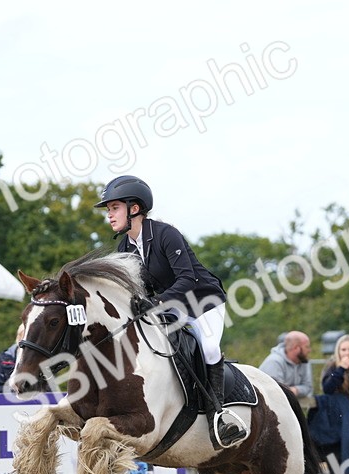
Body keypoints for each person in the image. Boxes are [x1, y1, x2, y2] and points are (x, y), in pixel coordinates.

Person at [95, 175, 245, 448]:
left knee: (209, 347)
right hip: (170, 307)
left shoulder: (165, 234)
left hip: (203, 302)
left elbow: (187, 279)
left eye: (114, 207)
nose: (109, 215)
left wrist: (156, 302)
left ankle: (219, 415)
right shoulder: (125, 248)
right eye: (108, 209)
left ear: (135, 208)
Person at [308, 334, 349, 474]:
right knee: (334, 452)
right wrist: (342, 369)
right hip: (336, 415)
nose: (347, 353)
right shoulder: (333, 366)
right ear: (338, 351)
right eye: (343, 350)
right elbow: (328, 388)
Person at [258, 331, 313, 399]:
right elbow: (277, 392)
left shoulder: (303, 361)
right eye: (306, 347)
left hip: (290, 405)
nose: (309, 350)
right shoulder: (274, 362)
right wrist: (293, 391)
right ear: (296, 348)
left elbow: (308, 387)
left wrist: (296, 390)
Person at [0, 324, 25, 395]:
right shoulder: (4, 357)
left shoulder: (40, 359)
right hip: (8, 402)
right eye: (24, 336)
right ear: (18, 337)